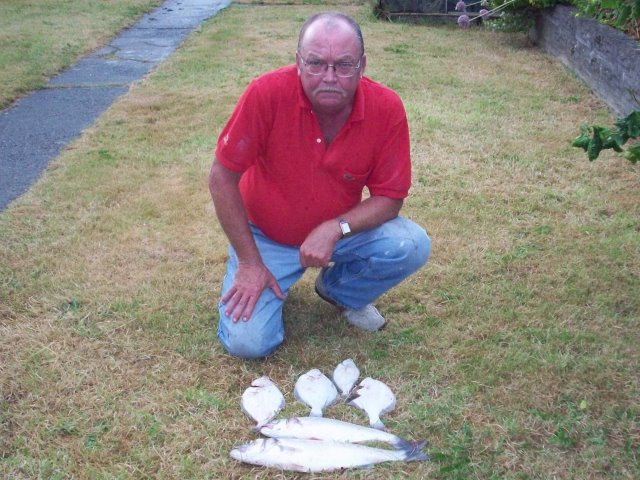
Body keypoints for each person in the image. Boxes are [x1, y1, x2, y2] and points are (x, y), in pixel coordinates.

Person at [209, 11, 431, 358]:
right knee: (248, 344)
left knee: (411, 244)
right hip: (265, 236)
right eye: (316, 63)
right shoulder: (265, 94)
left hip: (340, 236)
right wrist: (251, 262)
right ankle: (253, 270)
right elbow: (222, 177)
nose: (330, 77)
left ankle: (339, 291)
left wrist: (335, 228)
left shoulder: (386, 108)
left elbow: (390, 197)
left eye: (344, 65)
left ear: (362, 65)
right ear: (298, 62)